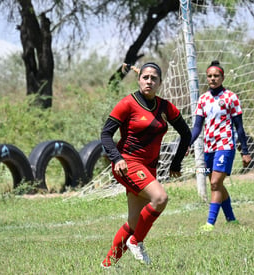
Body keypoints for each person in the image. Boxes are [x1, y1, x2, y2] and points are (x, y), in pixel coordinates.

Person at [100, 62, 191, 267]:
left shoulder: (165, 107)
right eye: (145, 77)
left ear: (159, 82)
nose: (149, 81)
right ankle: (136, 242)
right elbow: (106, 134)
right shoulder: (127, 103)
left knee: (134, 222)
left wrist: (175, 163)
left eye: (154, 78)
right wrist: (117, 158)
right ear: (139, 79)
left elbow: (186, 133)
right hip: (128, 164)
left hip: (149, 168)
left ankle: (107, 265)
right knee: (160, 198)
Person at [190, 60, 252, 232]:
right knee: (216, 184)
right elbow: (197, 127)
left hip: (225, 144)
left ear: (222, 77)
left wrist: (245, 151)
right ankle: (231, 219)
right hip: (209, 147)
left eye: (216, 76)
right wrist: (187, 143)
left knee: (216, 183)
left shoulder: (230, 97)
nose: (213, 79)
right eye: (210, 76)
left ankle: (210, 223)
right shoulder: (203, 99)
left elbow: (239, 127)